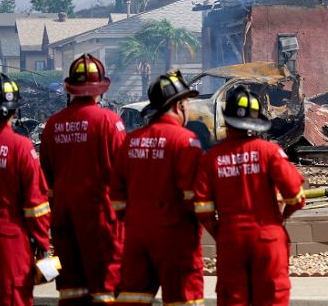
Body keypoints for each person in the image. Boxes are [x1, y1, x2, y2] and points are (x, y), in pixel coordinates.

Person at [193, 85, 306, 306]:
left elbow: (203, 210)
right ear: (256, 123)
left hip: (231, 241)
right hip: (269, 239)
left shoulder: (211, 159)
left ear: (227, 120)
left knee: (233, 300)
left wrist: (222, 234)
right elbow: (296, 196)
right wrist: (280, 218)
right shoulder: (270, 152)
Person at [110, 69, 205, 305]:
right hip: (175, 238)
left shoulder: (131, 141)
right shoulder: (186, 142)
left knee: (132, 298)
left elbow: (117, 197)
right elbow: (194, 199)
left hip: (137, 236)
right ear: (178, 105)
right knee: (183, 300)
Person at [39, 53, 126, 304]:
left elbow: (47, 179)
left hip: (63, 219)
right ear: (100, 89)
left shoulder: (53, 125)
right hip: (101, 219)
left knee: (72, 291)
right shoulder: (109, 122)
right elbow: (123, 172)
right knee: (106, 289)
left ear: (71, 89)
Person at [0, 72, 52, 306]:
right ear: (15, 110)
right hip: (10, 243)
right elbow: (37, 205)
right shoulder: (21, 147)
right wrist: (43, 247)